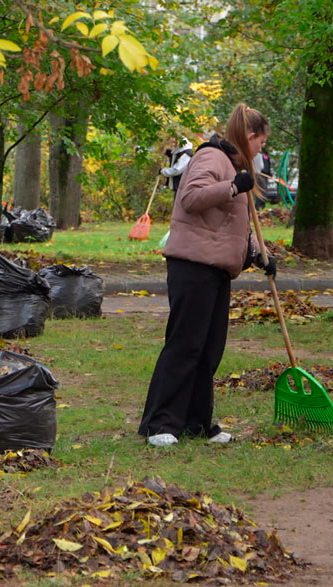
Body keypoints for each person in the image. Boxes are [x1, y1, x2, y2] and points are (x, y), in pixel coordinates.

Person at [138, 104, 276, 448]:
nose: (263, 149)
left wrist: (258, 256)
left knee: (209, 349)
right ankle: (159, 424)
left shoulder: (234, 166)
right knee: (186, 345)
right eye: (261, 142)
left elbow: (228, 227)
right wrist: (232, 186)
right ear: (249, 136)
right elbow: (191, 198)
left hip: (215, 269)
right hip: (193, 266)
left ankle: (197, 423)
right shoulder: (212, 157)